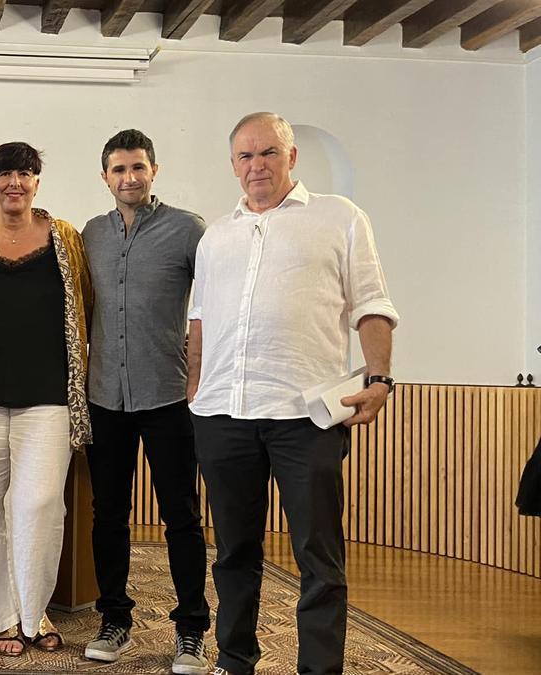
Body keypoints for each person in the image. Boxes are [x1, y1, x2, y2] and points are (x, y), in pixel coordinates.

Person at [189, 112, 398, 675]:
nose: (257, 165)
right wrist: (194, 396)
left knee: (318, 557)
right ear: (233, 165)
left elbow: (373, 303)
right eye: (245, 156)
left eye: (268, 153)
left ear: (292, 156)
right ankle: (234, 661)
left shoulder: (340, 217)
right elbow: (200, 323)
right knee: (233, 553)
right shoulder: (216, 235)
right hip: (222, 415)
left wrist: (379, 377)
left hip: (307, 418)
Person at [0, 142, 92, 657]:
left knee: (39, 505)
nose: (15, 182)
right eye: (5, 172)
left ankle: (34, 611)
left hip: (49, 398)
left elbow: (86, 310)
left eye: (25, 173)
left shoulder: (67, 239)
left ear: (38, 181)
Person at [81, 130, 211, 673]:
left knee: (180, 516)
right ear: (105, 176)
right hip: (104, 396)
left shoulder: (189, 231)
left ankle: (191, 631)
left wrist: (197, 382)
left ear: (153, 169)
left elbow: (211, 310)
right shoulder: (88, 234)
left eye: (137, 167)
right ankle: (115, 619)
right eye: (118, 169)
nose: (128, 178)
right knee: (108, 513)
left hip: (167, 396)